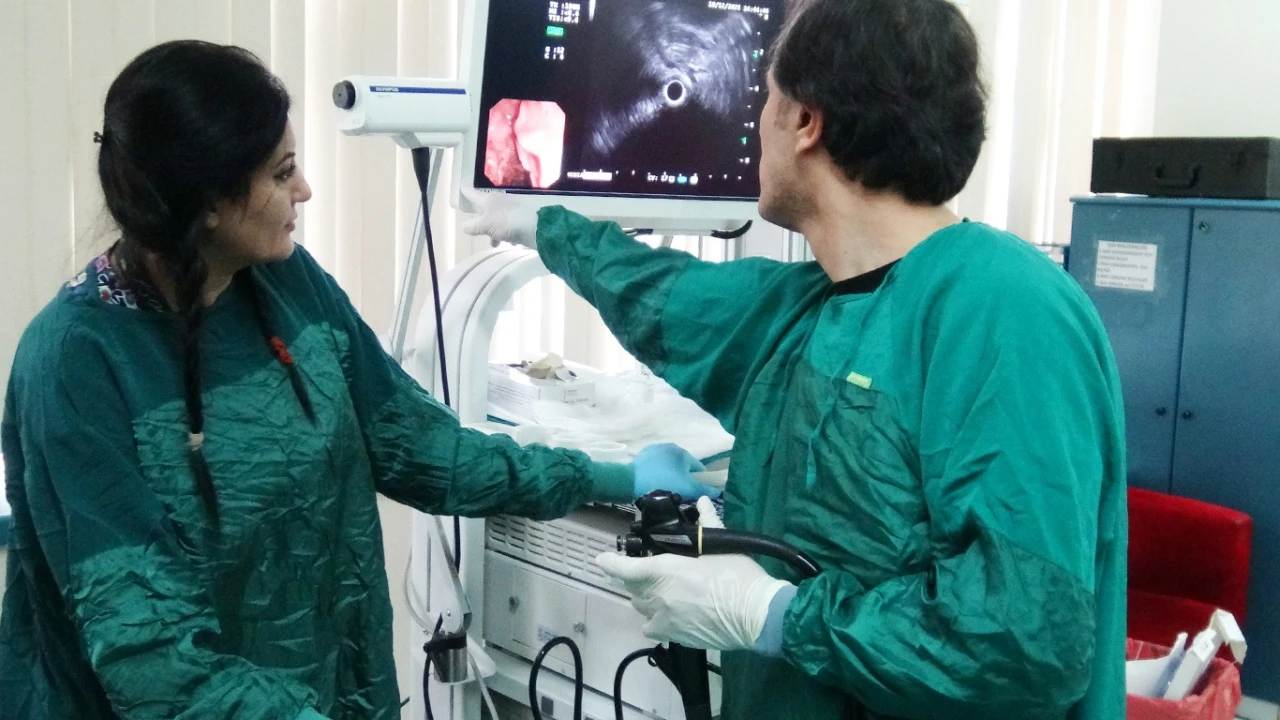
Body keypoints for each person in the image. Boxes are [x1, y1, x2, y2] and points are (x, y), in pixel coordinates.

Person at [0, 40, 716, 720]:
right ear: (209, 202)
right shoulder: (75, 363)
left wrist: (613, 476)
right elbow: (151, 657)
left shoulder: (283, 284)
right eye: (281, 173)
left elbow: (421, 447)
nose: (305, 190)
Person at [464, 0, 1128, 718]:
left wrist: (777, 616)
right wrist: (545, 228)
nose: (754, 128)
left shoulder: (1005, 309)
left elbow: (1023, 642)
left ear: (806, 121)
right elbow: (664, 296)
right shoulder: (812, 303)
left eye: (764, 101)